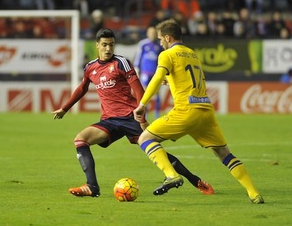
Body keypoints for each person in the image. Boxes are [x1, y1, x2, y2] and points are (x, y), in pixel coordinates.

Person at [52, 28, 214, 197]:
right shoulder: (90, 67)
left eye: (111, 45)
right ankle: (92, 186)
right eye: (105, 45)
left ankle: (195, 180)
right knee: (80, 140)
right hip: (109, 120)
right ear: (97, 45)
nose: (108, 49)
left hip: (131, 117)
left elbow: (139, 91)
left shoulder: (122, 63)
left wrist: (142, 118)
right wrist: (65, 108)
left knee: (157, 152)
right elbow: (82, 88)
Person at [133, 20, 264, 204]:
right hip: (205, 110)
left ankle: (171, 175)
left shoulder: (166, 54)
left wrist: (143, 104)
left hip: (186, 111)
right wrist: (170, 80)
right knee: (224, 154)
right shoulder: (192, 54)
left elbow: (156, 78)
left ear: (168, 38)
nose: (160, 42)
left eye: (162, 38)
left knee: (145, 139)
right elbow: (189, 79)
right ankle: (253, 193)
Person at [134, 26, 163, 119]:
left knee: (157, 93)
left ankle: (157, 114)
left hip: (155, 73)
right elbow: (138, 56)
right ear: (147, 33)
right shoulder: (143, 44)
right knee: (145, 93)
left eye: (154, 33)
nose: (152, 35)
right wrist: (136, 68)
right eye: (151, 33)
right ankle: (144, 113)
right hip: (145, 72)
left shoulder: (159, 45)